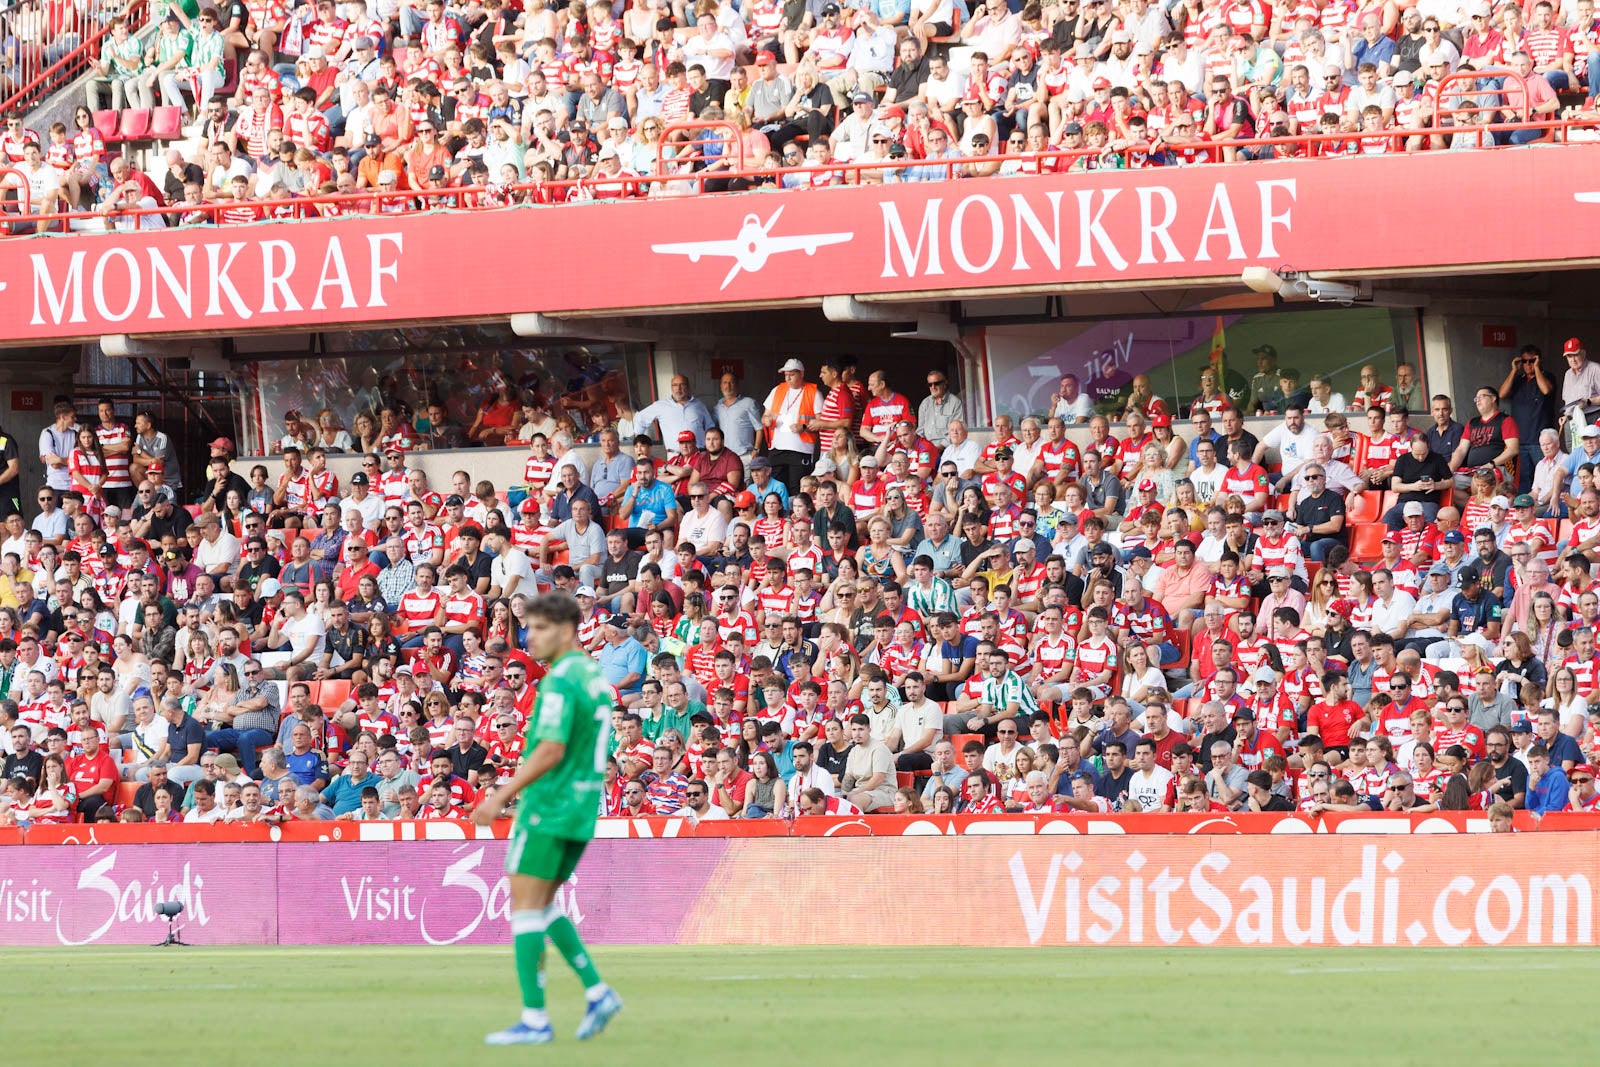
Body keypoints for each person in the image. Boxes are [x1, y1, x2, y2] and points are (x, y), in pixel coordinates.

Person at [472, 591, 622, 1045]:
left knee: (523, 906)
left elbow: (551, 749)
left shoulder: (560, 681)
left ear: (566, 629)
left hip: (549, 804)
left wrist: (501, 795)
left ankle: (535, 1019)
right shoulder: (593, 676)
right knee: (543, 905)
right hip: (579, 808)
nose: (530, 637)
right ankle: (597, 992)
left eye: (538, 629)